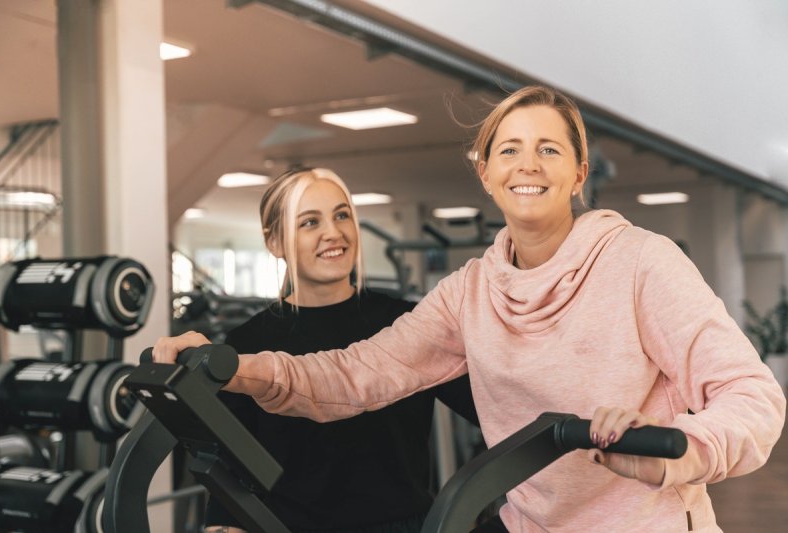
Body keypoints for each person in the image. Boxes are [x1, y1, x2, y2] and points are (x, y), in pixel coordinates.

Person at [156, 87, 786, 532]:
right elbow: (357, 373)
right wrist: (231, 367)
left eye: (549, 149)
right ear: (486, 174)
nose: (527, 164)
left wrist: (681, 449)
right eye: (509, 150)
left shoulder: (642, 263)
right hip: (526, 522)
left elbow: (753, 396)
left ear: (579, 172)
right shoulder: (470, 292)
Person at [198, 167, 480, 533]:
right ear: (275, 243)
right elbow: (229, 462)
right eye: (310, 222)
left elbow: (490, 409)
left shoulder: (408, 323)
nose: (333, 232)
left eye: (342, 215)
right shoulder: (247, 344)